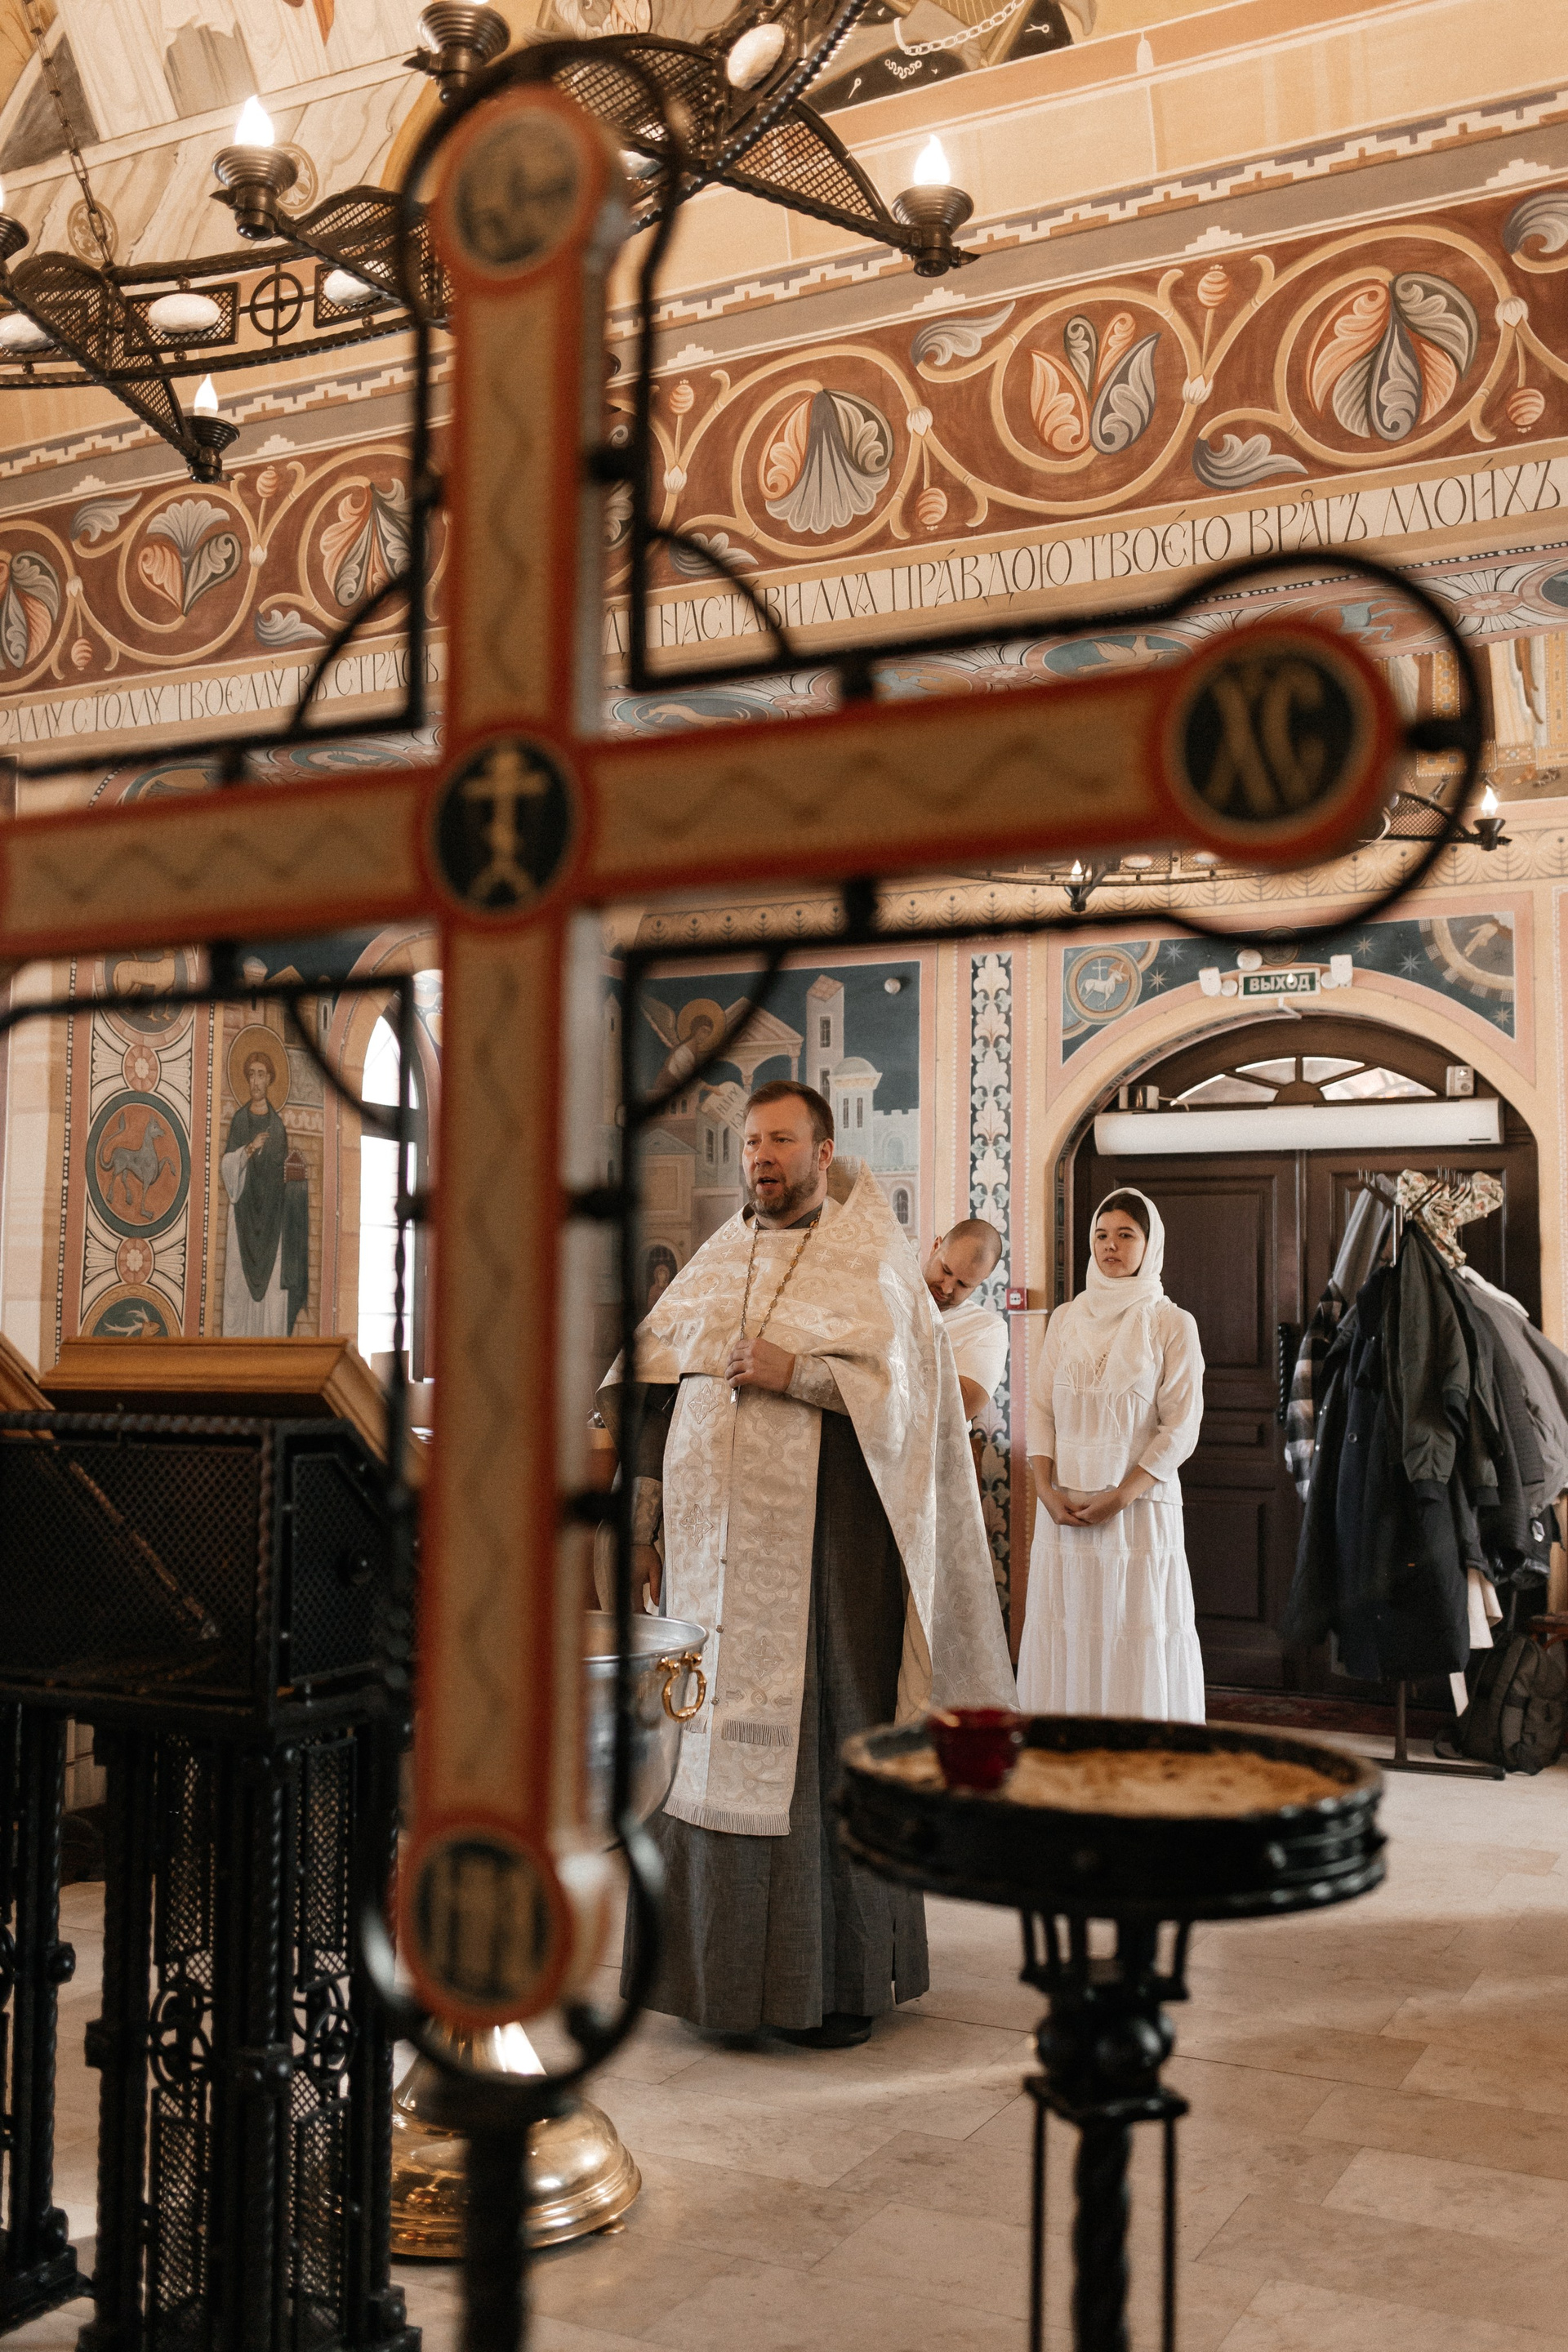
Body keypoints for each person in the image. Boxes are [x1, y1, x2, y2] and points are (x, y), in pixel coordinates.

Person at [598, 1080, 1013, 2048]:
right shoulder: (716, 1261)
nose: (761, 1158)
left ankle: (835, 1986)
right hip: (705, 1563)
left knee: (830, 1734)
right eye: (752, 1142)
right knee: (697, 1740)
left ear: (825, 1153)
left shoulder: (875, 1263)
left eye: (781, 1141)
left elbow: (911, 1405)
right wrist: (645, 1532)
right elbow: (654, 1402)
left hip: (831, 1557)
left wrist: (803, 1373)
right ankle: (712, 1987)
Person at [1017, 1188, 1205, 1722]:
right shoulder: (1065, 1319)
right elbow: (1040, 1410)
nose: (1110, 1246)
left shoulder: (1171, 1323)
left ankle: (1139, 1758)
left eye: (1126, 1235)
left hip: (1138, 1513)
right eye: (1101, 1235)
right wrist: (1046, 1491)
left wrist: (1121, 1497)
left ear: (1150, 1245)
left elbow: (1181, 1427)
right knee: (1069, 1632)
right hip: (1065, 1514)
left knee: (1133, 1635)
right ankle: (1065, 1757)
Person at [220, 1044, 307, 1337]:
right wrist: (249, 1149)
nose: (255, 1081)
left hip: (271, 1222)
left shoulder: (277, 1127)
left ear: (270, 1079)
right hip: (243, 1219)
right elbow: (227, 1166)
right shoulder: (240, 1120)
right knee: (237, 1290)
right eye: (251, 1075)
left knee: (272, 1295)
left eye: (261, 1075)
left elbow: (280, 1176)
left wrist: (294, 1176)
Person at [923, 1220, 1007, 1419]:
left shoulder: (987, 1329)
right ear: (936, 1247)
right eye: (946, 1270)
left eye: (963, 1284)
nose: (946, 1288)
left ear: (979, 1283)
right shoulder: (885, 1290)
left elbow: (957, 1412)